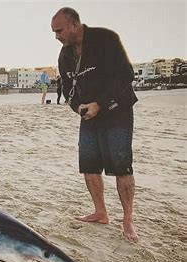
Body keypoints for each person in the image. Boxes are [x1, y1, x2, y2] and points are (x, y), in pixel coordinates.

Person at [51, 7, 139, 242]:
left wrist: (100, 103)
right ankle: (101, 212)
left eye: (59, 30)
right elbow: (67, 88)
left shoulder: (105, 39)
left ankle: (128, 219)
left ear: (74, 24)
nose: (56, 36)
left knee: (121, 166)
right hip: (88, 115)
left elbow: (126, 74)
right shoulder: (65, 55)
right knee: (89, 166)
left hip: (116, 111)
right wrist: (77, 106)